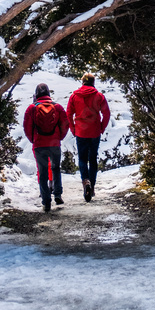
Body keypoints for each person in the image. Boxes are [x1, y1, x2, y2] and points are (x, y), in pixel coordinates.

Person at [23, 83, 69, 212]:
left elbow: (27, 127)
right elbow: (65, 124)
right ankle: (58, 195)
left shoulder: (31, 108)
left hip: (39, 144)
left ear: (36, 94)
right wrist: (59, 138)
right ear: (48, 93)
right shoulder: (58, 107)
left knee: (43, 173)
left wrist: (33, 140)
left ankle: (46, 202)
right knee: (55, 169)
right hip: (54, 144)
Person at [67, 72, 110, 202]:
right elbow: (106, 113)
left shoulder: (74, 96)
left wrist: (73, 129)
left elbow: (68, 113)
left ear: (82, 82)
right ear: (93, 82)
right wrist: (101, 127)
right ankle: (92, 187)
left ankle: (85, 181)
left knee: (82, 159)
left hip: (80, 132)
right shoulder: (99, 96)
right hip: (94, 131)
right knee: (92, 159)